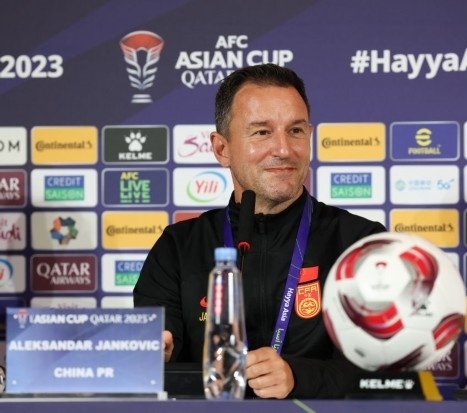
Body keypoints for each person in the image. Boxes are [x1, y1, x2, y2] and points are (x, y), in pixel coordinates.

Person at [133, 63, 386, 399]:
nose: (283, 149)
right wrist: (154, 355)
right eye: (262, 132)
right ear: (222, 149)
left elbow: (387, 367)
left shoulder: (361, 242)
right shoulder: (177, 247)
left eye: (295, 130)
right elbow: (158, 351)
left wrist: (300, 376)